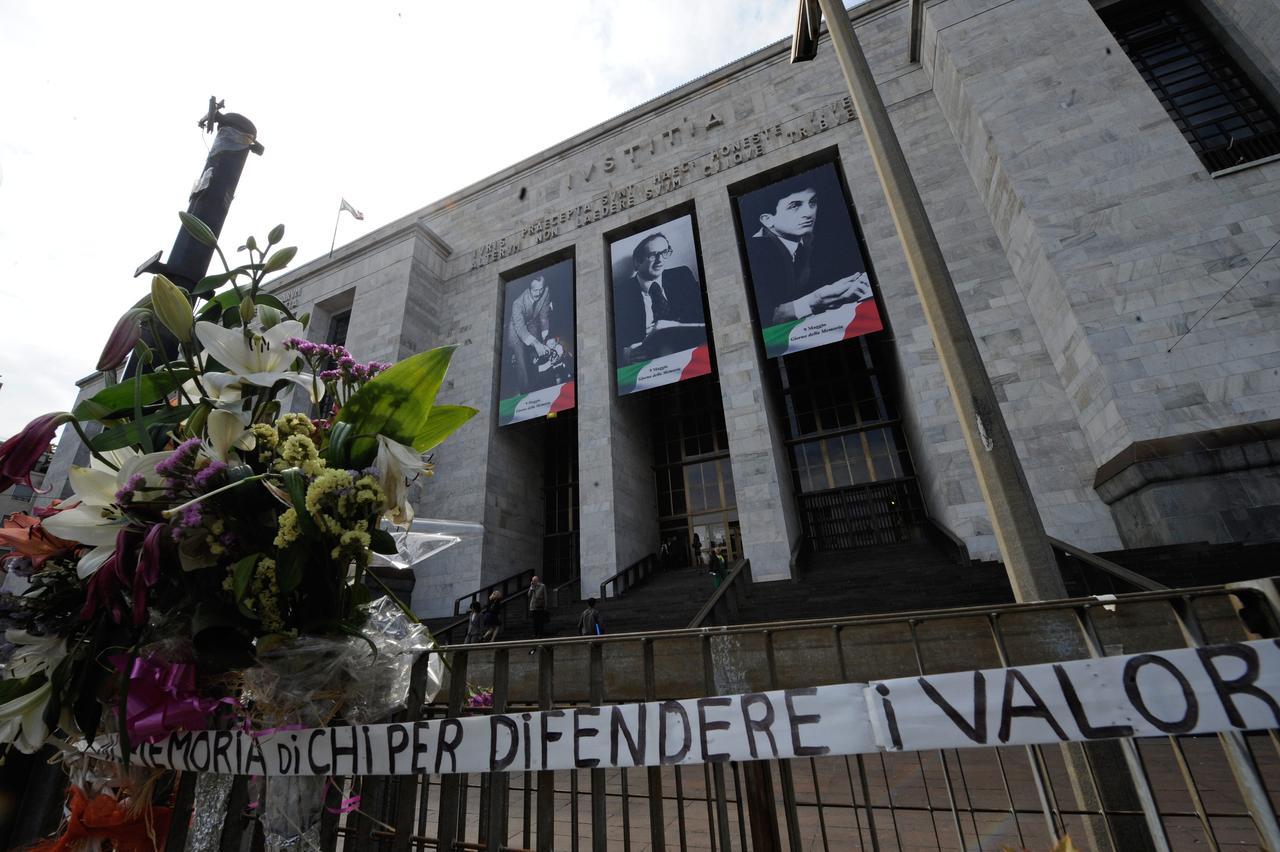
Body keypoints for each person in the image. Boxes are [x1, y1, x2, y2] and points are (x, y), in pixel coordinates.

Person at [745, 177, 872, 326]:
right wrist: (814, 301)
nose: (809, 213)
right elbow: (762, 316)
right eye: (794, 206)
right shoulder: (755, 253)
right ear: (767, 220)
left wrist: (842, 289)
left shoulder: (810, 240)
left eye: (812, 202)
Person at [613, 232, 707, 365]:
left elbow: (704, 315)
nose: (660, 260)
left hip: (688, 353)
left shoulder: (682, 276)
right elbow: (609, 340)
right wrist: (625, 354)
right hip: (647, 363)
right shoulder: (620, 294)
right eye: (652, 255)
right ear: (637, 262)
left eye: (664, 252)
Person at [504, 274, 554, 393]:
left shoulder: (545, 292)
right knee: (521, 358)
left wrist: (544, 338)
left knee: (535, 355)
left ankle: (538, 385)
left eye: (540, 289)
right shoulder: (517, 303)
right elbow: (520, 329)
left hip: (532, 323)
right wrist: (536, 344)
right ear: (529, 289)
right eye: (535, 290)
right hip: (516, 329)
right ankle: (525, 391)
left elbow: (543, 315)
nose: (538, 293)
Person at [528, 575, 549, 639]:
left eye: (534, 580)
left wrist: (545, 605)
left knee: (540, 621)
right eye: (532, 580)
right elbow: (528, 595)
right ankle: (535, 633)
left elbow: (545, 595)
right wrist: (531, 588)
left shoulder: (542, 586)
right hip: (533, 606)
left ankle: (540, 633)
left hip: (540, 606)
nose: (533, 581)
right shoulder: (532, 586)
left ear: (537, 580)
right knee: (534, 621)